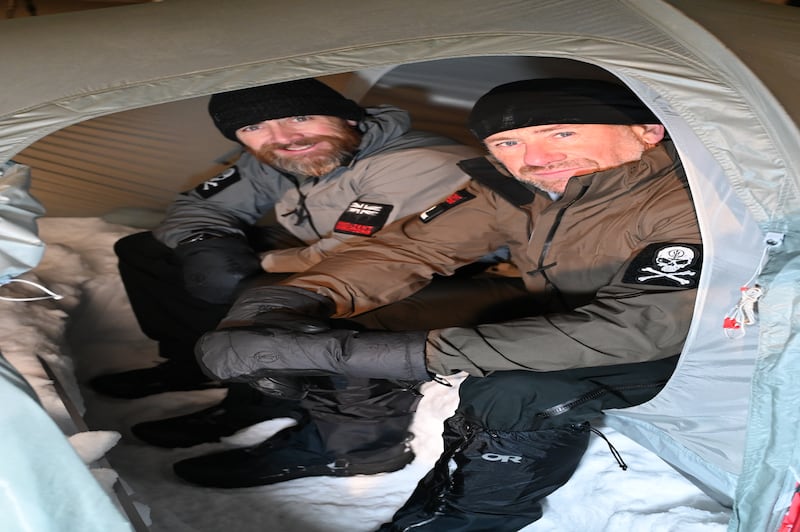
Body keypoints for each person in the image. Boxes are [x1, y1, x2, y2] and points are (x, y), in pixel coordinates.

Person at [186, 78, 702, 530]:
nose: (536, 158)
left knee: (514, 390)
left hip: (683, 341)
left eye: (562, 133)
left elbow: (638, 328)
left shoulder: (691, 198)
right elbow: (409, 247)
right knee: (347, 316)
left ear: (647, 130)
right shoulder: (517, 186)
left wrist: (354, 355)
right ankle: (354, 448)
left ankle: (472, 518)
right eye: (509, 142)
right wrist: (285, 302)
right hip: (552, 304)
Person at [89, 78, 531, 478]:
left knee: (321, 310)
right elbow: (199, 204)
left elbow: (367, 257)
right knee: (154, 251)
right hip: (344, 252)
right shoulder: (279, 155)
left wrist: (258, 266)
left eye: (300, 117)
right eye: (253, 128)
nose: (282, 137)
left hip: (461, 273)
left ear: (347, 116)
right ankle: (209, 367)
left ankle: (355, 449)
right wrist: (205, 244)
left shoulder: (423, 162)